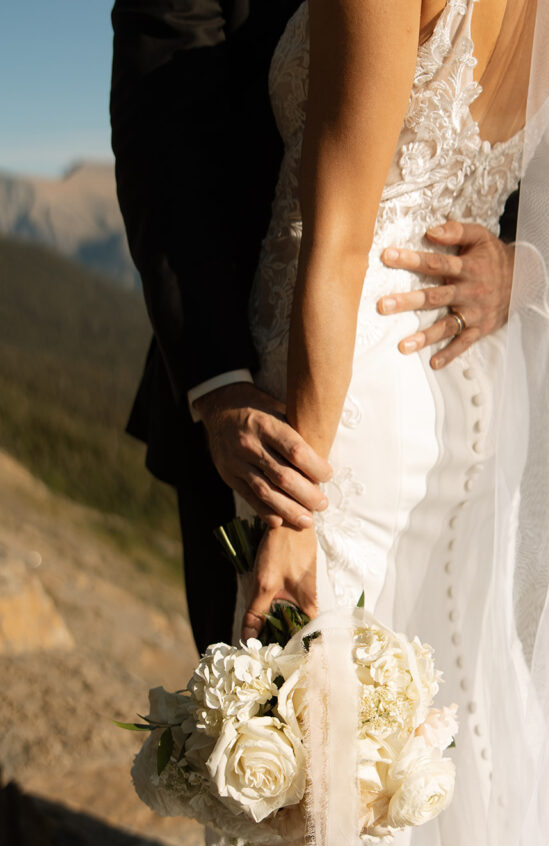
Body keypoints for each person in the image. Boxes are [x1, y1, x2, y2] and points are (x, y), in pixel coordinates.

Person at [114, 0, 549, 846]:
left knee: (326, 769)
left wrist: (291, 522)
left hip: (345, 406)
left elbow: (338, 245)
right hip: (464, 395)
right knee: (457, 746)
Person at [110, 0, 519, 657]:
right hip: (255, 407)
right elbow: (164, 139)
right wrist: (218, 388)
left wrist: (515, 266)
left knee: (298, 710)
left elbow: (338, 246)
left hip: (337, 412)